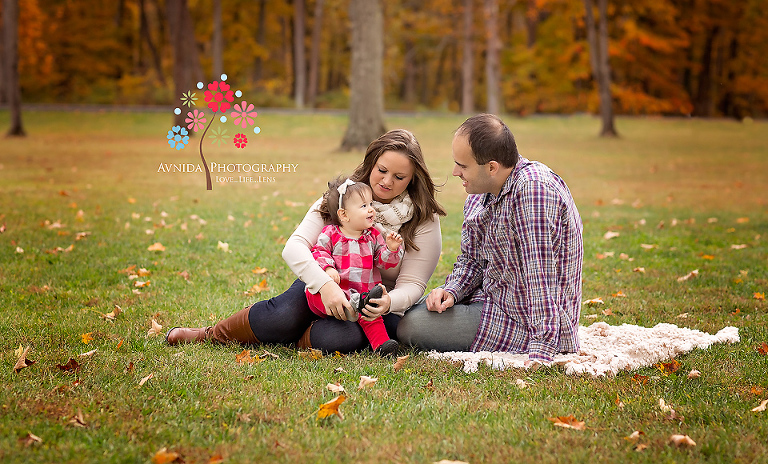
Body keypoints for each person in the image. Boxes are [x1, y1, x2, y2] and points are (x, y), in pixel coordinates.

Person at [166, 129, 446, 353]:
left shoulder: (423, 218)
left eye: (399, 177)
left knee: (341, 338)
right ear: (371, 163)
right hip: (325, 285)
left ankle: (298, 339)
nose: (386, 182)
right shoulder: (343, 198)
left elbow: (413, 285)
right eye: (381, 170)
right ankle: (210, 335)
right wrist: (325, 285)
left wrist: (388, 302)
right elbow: (295, 247)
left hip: (374, 305)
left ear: (412, 180)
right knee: (282, 316)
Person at [397, 114, 583, 365]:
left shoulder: (533, 192)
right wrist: (452, 291)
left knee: (411, 326)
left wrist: (541, 352)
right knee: (412, 314)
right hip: (495, 299)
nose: (454, 172)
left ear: (492, 167)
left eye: (462, 166)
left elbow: (541, 278)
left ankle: (539, 340)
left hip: (526, 320)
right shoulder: (479, 192)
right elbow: (471, 260)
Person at [306, 176, 404, 355]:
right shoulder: (331, 233)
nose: (371, 210)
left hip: (361, 295)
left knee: (371, 316)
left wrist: (391, 249)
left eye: (370, 204)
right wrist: (328, 269)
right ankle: (348, 309)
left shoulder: (373, 236)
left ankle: (382, 346)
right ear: (343, 214)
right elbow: (318, 251)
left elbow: (383, 262)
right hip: (335, 295)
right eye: (363, 206)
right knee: (312, 294)